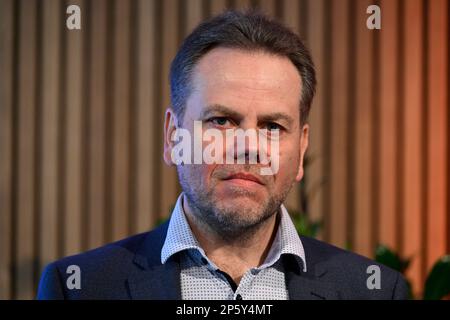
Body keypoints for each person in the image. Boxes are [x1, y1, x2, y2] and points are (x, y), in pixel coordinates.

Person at [37, 10, 408, 300]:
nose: (248, 146)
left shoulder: (375, 291)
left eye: (272, 127)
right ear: (172, 137)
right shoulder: (79, 289)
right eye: (222, 120)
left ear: (302, 149)